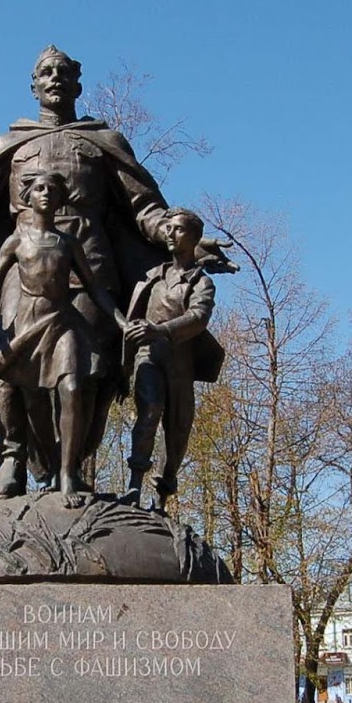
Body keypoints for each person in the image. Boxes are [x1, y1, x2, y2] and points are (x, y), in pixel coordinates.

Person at [0, 46, 176, 499]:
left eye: (64, 72)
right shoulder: (11, 145)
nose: (55, 78)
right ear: (34, 85)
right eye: (46, 72)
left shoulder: (104, 142)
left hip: (90, 268)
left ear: (78, 84)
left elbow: (143, 206)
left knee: (86, 375)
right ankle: (13, 457)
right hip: (24, 268)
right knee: (8, 362)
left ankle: (71, 466)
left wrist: (177, 235)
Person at [0, 168, 127, 506]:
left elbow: (94, 287)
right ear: (29, 197)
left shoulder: (68, 243)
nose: (47, 194)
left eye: (53, 189)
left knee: (72, 387)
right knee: (30, 400)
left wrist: (122, 322)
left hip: (62, 320)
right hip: (28, 322)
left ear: (61, 198)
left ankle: (67, 474)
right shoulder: (17, 241)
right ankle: (37, 465)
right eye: (40, 189)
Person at [122, 207, 225, 511]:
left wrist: (160, 330)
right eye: (168, 228)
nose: (169, 233)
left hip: (180, 363)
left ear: (193, 238)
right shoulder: (152, 276)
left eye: (178, 229)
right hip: (148, 356)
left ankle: (161, 496)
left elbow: (198, 317)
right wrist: (124, 364)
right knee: (149, 411)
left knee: (177, 432)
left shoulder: (201, 283)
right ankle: (133, 486)